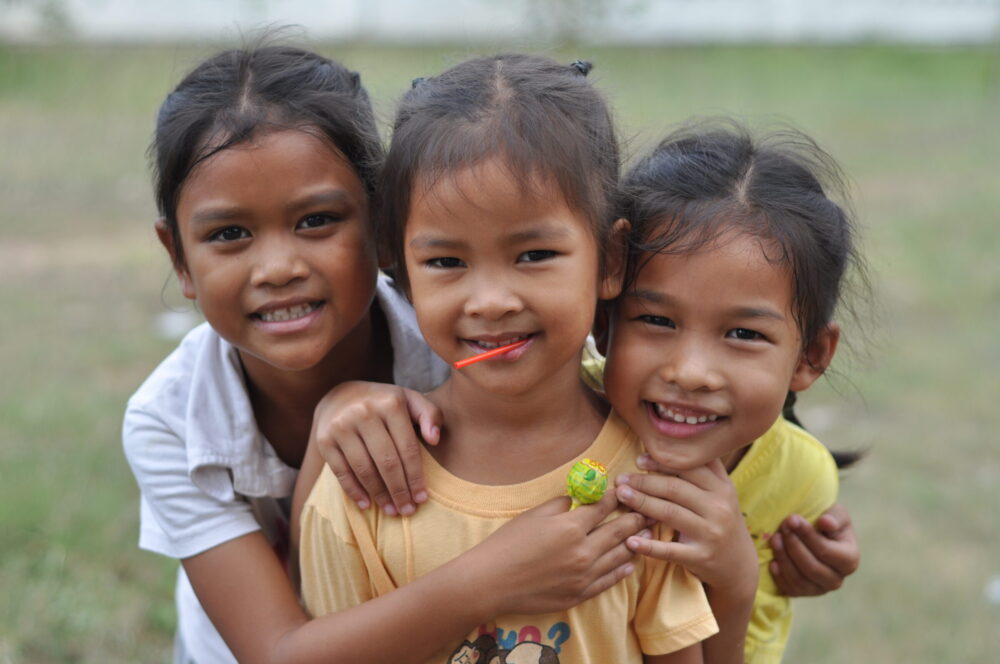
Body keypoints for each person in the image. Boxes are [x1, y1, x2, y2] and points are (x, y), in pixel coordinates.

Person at [122, 43, 647, 664]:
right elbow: (277, 651)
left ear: (382, 228)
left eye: (316, 220)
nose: (279, 267)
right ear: (178, 255)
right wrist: (493, 579)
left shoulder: (472, 341)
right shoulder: (168, 421)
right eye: (229, 234)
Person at [298, 54, 727, 663]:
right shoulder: (365, 479)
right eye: (446, 262)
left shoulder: (650, 479)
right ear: (403, 273)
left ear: (608, 259)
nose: (492, 302)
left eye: (533, 255)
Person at [602, 120, 870, 662]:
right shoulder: (553, 409)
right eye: (655, 319)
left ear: (810, 356)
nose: (693, 372)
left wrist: (734, 580)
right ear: (599, 319)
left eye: (744, 334)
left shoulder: (797, 482)